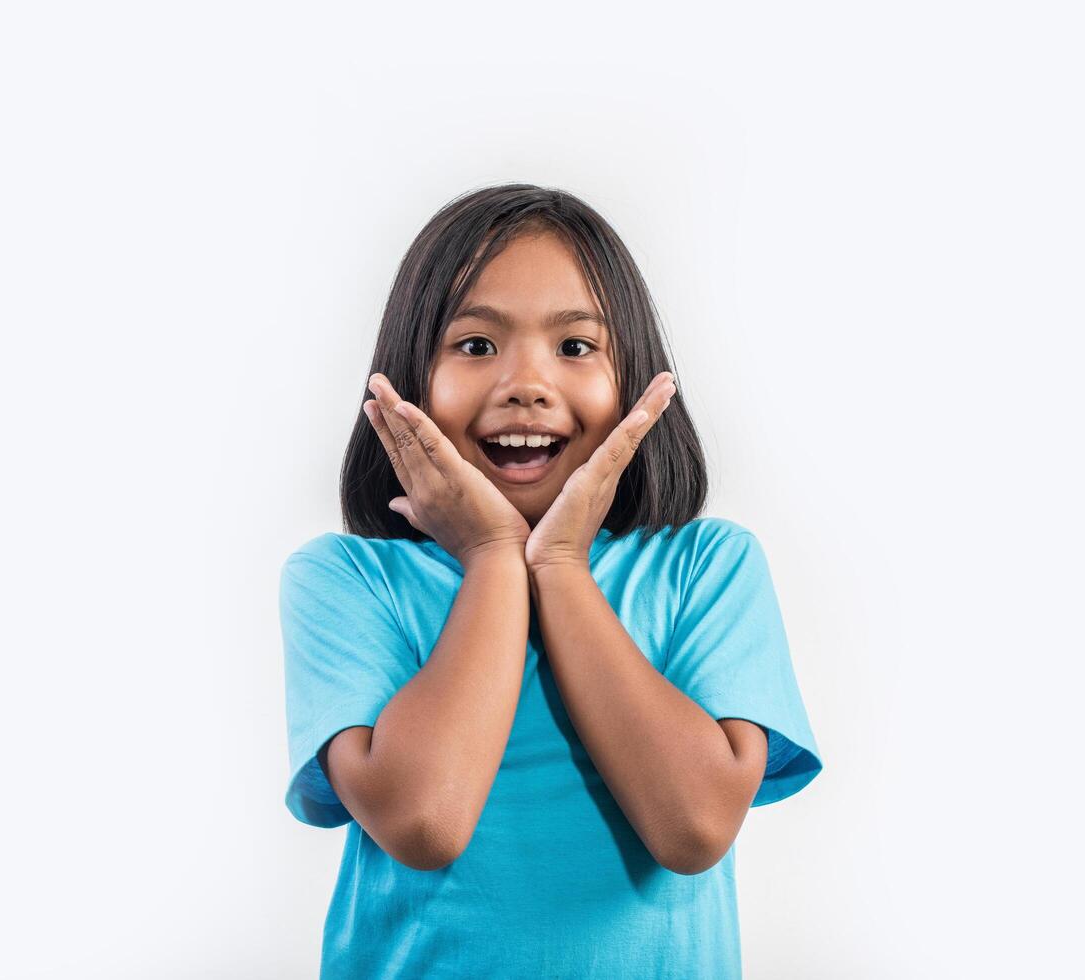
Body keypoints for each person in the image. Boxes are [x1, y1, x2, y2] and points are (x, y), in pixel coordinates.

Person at [279, 183, 823, 979]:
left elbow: (695, 828)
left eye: (574, 348)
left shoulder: (707, 566)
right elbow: (424, 821)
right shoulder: (347, 580)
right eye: (474, 346)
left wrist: (560, 566)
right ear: (403, 380)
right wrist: (496, 556)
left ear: (634, 382)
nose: (525, 384)